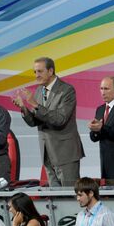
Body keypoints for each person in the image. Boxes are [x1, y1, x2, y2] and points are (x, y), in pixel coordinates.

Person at [13, 57, 84, 187]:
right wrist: (23, 108)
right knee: (55, 200)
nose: (36, 76)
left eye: (39, 71)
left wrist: (34, 104)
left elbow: (60, 119)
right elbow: (35, 122)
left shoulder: (66, 90)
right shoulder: (40, 90)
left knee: (70, 197)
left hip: (65, 154)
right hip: (47, 153)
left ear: (50, 71)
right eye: (35, 72)